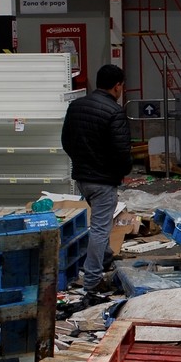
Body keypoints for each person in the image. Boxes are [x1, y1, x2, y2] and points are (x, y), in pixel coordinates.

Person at [61, 64, 133, 305]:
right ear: (117, 86)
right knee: (101, 229)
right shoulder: (114, 112)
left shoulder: (76, 106)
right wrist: (121, 171)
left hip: (82, 178)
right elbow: (122, 151)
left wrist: (82, 162)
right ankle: (91, 282)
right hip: (103, 181)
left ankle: (105, 259)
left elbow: (66, 141)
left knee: (99, 226)